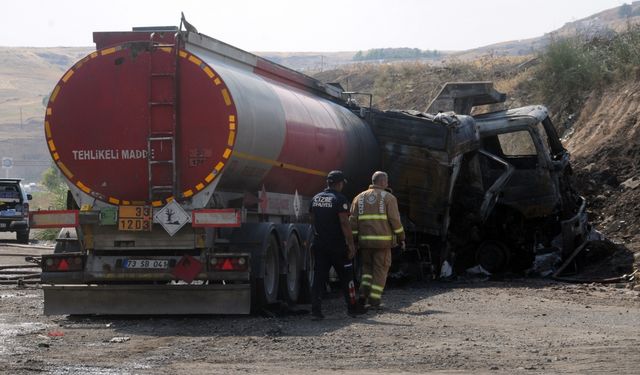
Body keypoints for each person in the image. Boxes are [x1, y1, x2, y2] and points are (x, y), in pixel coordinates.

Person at [309, 170, 366, 320]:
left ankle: (316, 311)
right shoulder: (339, 199)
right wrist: (351, 245)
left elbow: (312, 220)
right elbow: (344, 223)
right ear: (339, 184)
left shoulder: (315, 198)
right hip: (338, 246)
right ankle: (352, 308)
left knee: (319, 278)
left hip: (320, 244)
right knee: (347, 278)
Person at [350, 171, 405, 310]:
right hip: (383, 243)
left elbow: (353, 222)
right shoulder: (389, 198)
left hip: (365, 243)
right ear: (382, 182)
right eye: (386, 181)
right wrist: (401, 237)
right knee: (380, 271)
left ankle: (362, 296)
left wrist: (355, 240)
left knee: (367, 271)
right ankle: (374, 300)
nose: (387, 184)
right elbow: (395, 221)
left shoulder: (359, 198)